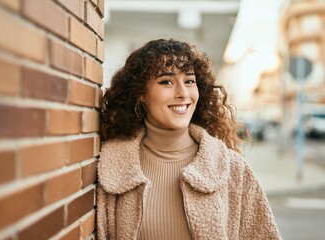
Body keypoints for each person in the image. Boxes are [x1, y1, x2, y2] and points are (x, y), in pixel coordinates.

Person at [96, 39, 281, 240]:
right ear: (140, 93)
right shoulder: (112, 168)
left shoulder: (232, 169)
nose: (183, 93)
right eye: (166, 81)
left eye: (189, 81)